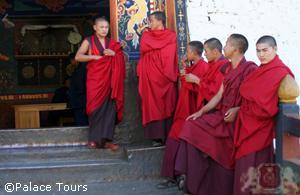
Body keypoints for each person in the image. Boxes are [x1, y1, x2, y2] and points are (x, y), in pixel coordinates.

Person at [175, 34, 257, 195]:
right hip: (221, 115)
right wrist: (200, 112)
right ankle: (193, 181)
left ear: (235, 49)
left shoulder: (250, 69)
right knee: (190, 125)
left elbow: (252, 100)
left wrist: (237, 110)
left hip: (237, 119)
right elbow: (218, 96)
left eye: (226, 44)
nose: (224, 47)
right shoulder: (226, 69)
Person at [233, 35, 295, 195]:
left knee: (255, 169)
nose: (261, 54)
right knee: (244, 168)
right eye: (258, 51)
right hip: (247, 123)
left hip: (259, 128)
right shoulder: (261, 69)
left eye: (265, 50)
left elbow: (266, 107)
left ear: (275, 49)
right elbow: (246, 90)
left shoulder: (280, 72)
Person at [158, 41, 208, 188]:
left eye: (187, 51)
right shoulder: (194, 66)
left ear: (193, 53)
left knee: (178, 141)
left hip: (192, 111)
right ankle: (173, 176)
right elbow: (186, 81)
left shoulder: (203, 67)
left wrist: (194, 79)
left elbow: (203, 89)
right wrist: (185, 67)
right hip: (184, 109)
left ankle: (179, 176)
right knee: (174, 140)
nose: (186, 54)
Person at [75, 16, 126, 151]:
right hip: (95, 80)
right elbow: (78, 56)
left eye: (106, 27)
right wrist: (93, 57)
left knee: (110, 110)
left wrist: (114, 54)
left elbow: (122, 57)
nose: (104, 30)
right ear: (95, 28)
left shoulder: (111, 43)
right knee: (94, 109)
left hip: (109, 81)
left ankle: (107, 141)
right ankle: (94, 140)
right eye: (102, 27)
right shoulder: (89, 41)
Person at [137, 11, 178, 147]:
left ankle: (168, 135)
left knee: (166, 104)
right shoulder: (146, 35)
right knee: (151, 106)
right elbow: (143, 49)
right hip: (149, 79)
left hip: (164, 76)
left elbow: (170, 54)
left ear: (160, 21)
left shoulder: (171, 36)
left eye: (151, 20)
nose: (150, 24)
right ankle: (156, 137)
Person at [68, 52, 88, 126]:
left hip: (80, 101)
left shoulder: (80, 71)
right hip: (83, 101)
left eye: (71, 61)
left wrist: (72, 94)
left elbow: (79, 86)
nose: (71, 63)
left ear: (75, 59)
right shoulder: (83, 68)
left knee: (81, 122)